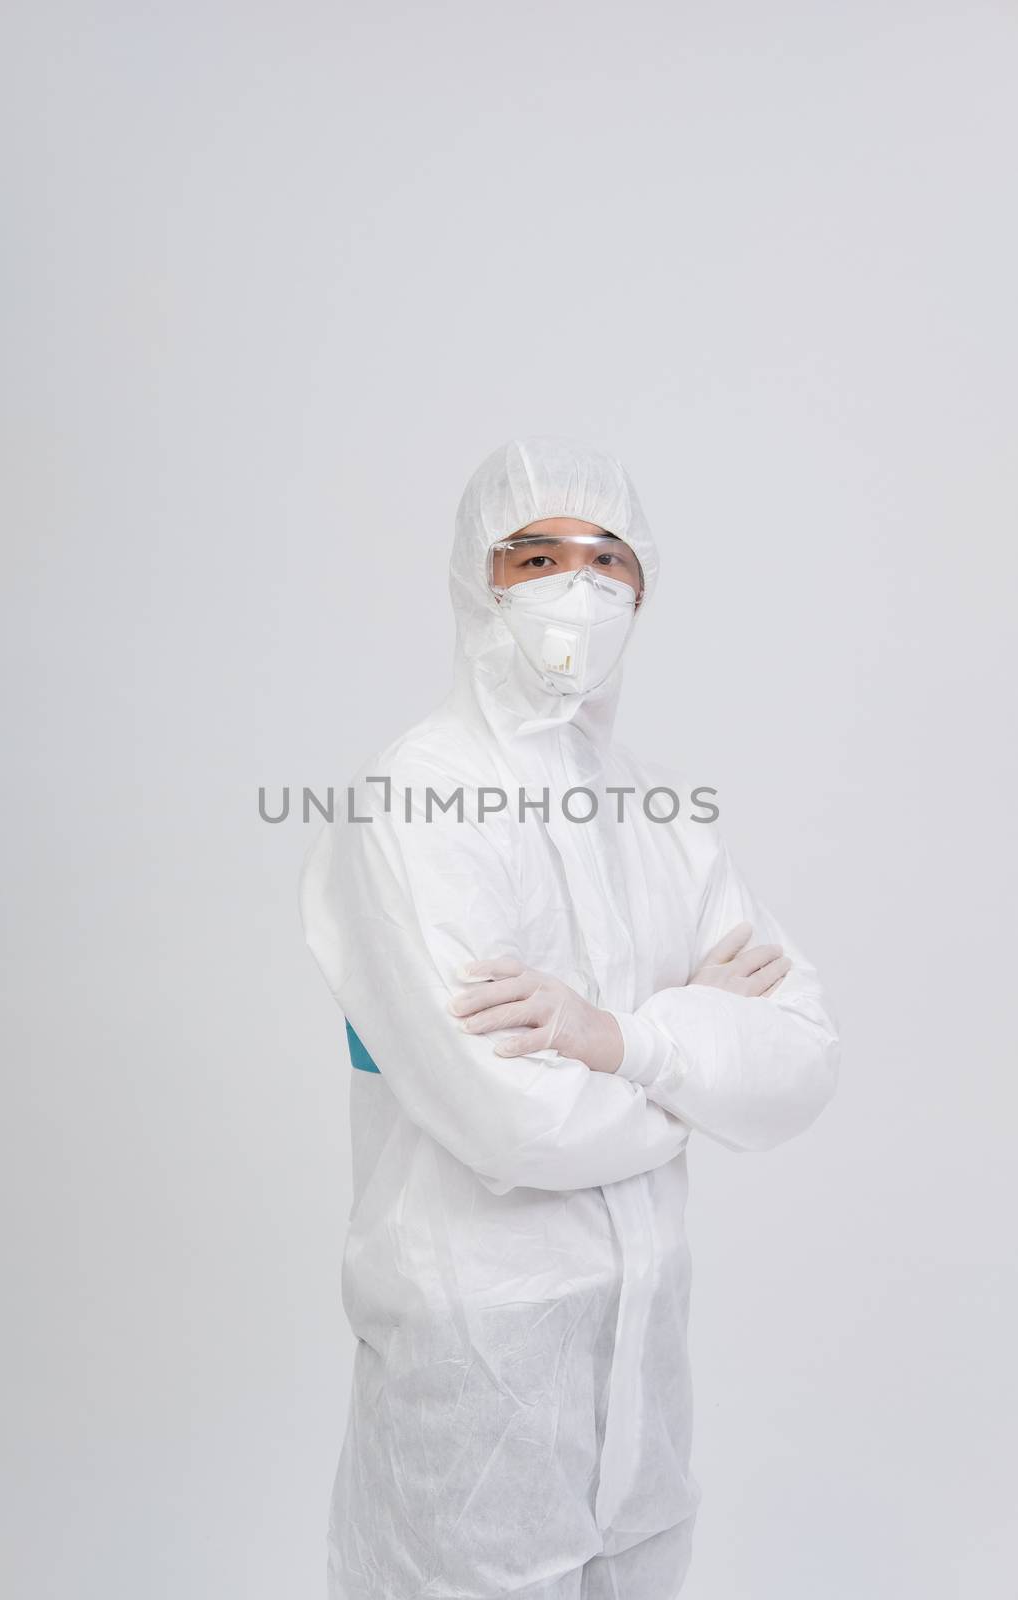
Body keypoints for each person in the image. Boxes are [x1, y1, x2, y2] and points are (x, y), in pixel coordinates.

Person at [298, 435, 840, 1600]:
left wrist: (617, 1038)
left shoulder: (656, 815)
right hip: (475, 1380)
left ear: (643, 593)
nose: (576, 590)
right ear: (473, 580)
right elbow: (516, 1123)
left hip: (642, 1382)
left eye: (609, 562)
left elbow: (797, 1057)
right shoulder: (412, 805)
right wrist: (696, 1071)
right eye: (535, 555)